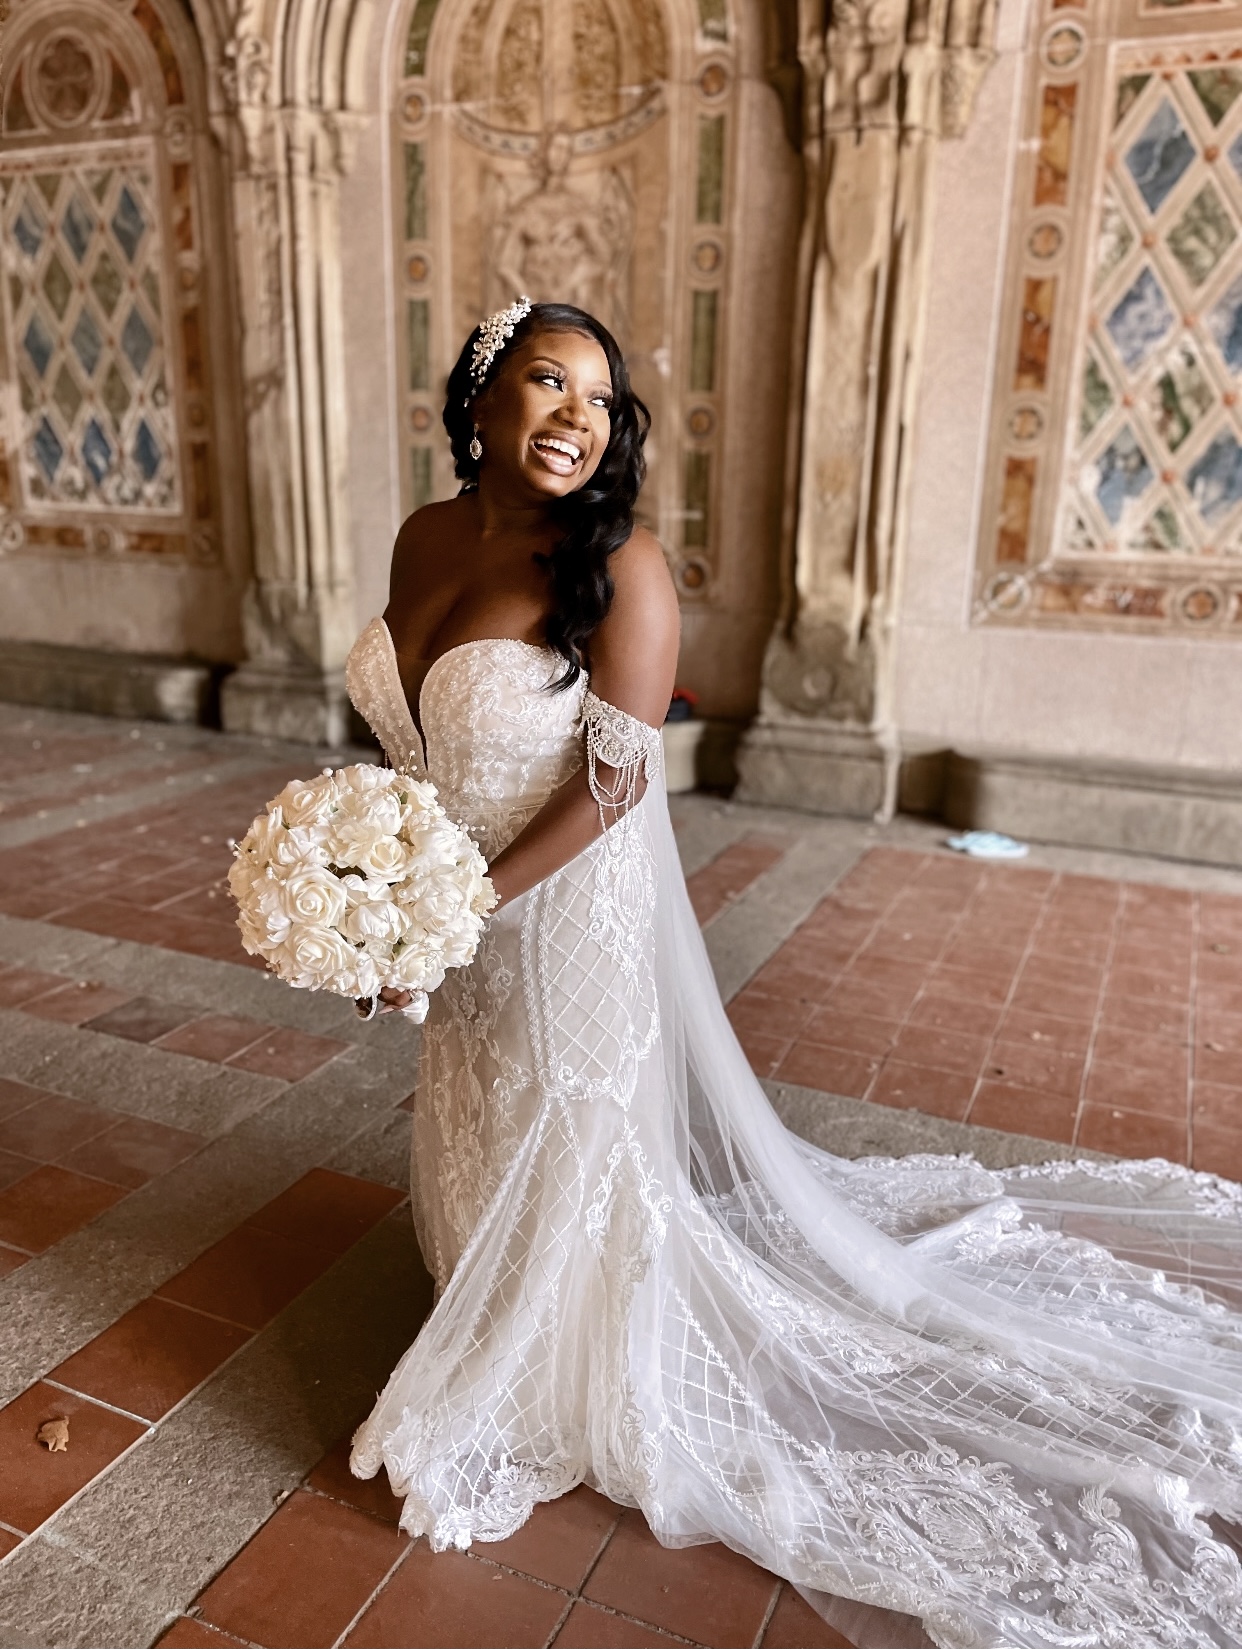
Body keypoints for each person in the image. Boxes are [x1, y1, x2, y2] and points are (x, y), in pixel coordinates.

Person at [345, 299, 1242, 1649]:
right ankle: (489, 1303)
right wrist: (381, 894)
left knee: (560, 1121)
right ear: (477, 400)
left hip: (561, 906)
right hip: (460, 910)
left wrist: (458, 898)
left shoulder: (621, 561)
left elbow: (612, 777)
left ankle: (557, 1357)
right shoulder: (423, 535)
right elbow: (412, 741)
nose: (576, 419)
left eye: (599, 398)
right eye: (546, 383)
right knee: (476, 1109)